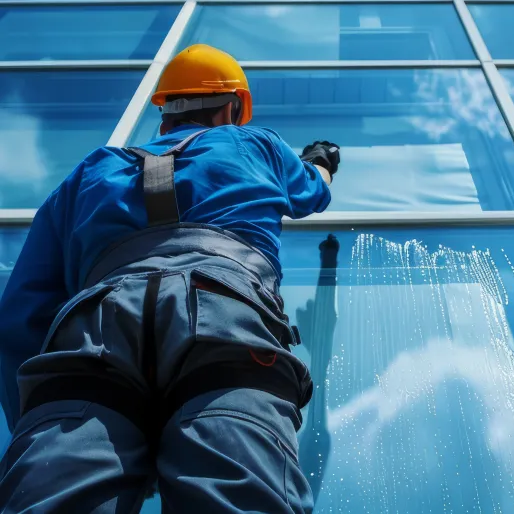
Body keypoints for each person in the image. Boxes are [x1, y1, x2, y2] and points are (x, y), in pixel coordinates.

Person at [0, 44, 340, 514]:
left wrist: (40, 416)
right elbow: (314, 192)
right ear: (233, 107)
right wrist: (320, 159)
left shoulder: (92, 170)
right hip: (224, 319)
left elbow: (21, 314)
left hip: (95, 333)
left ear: (165, 116)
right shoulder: (256, 144)